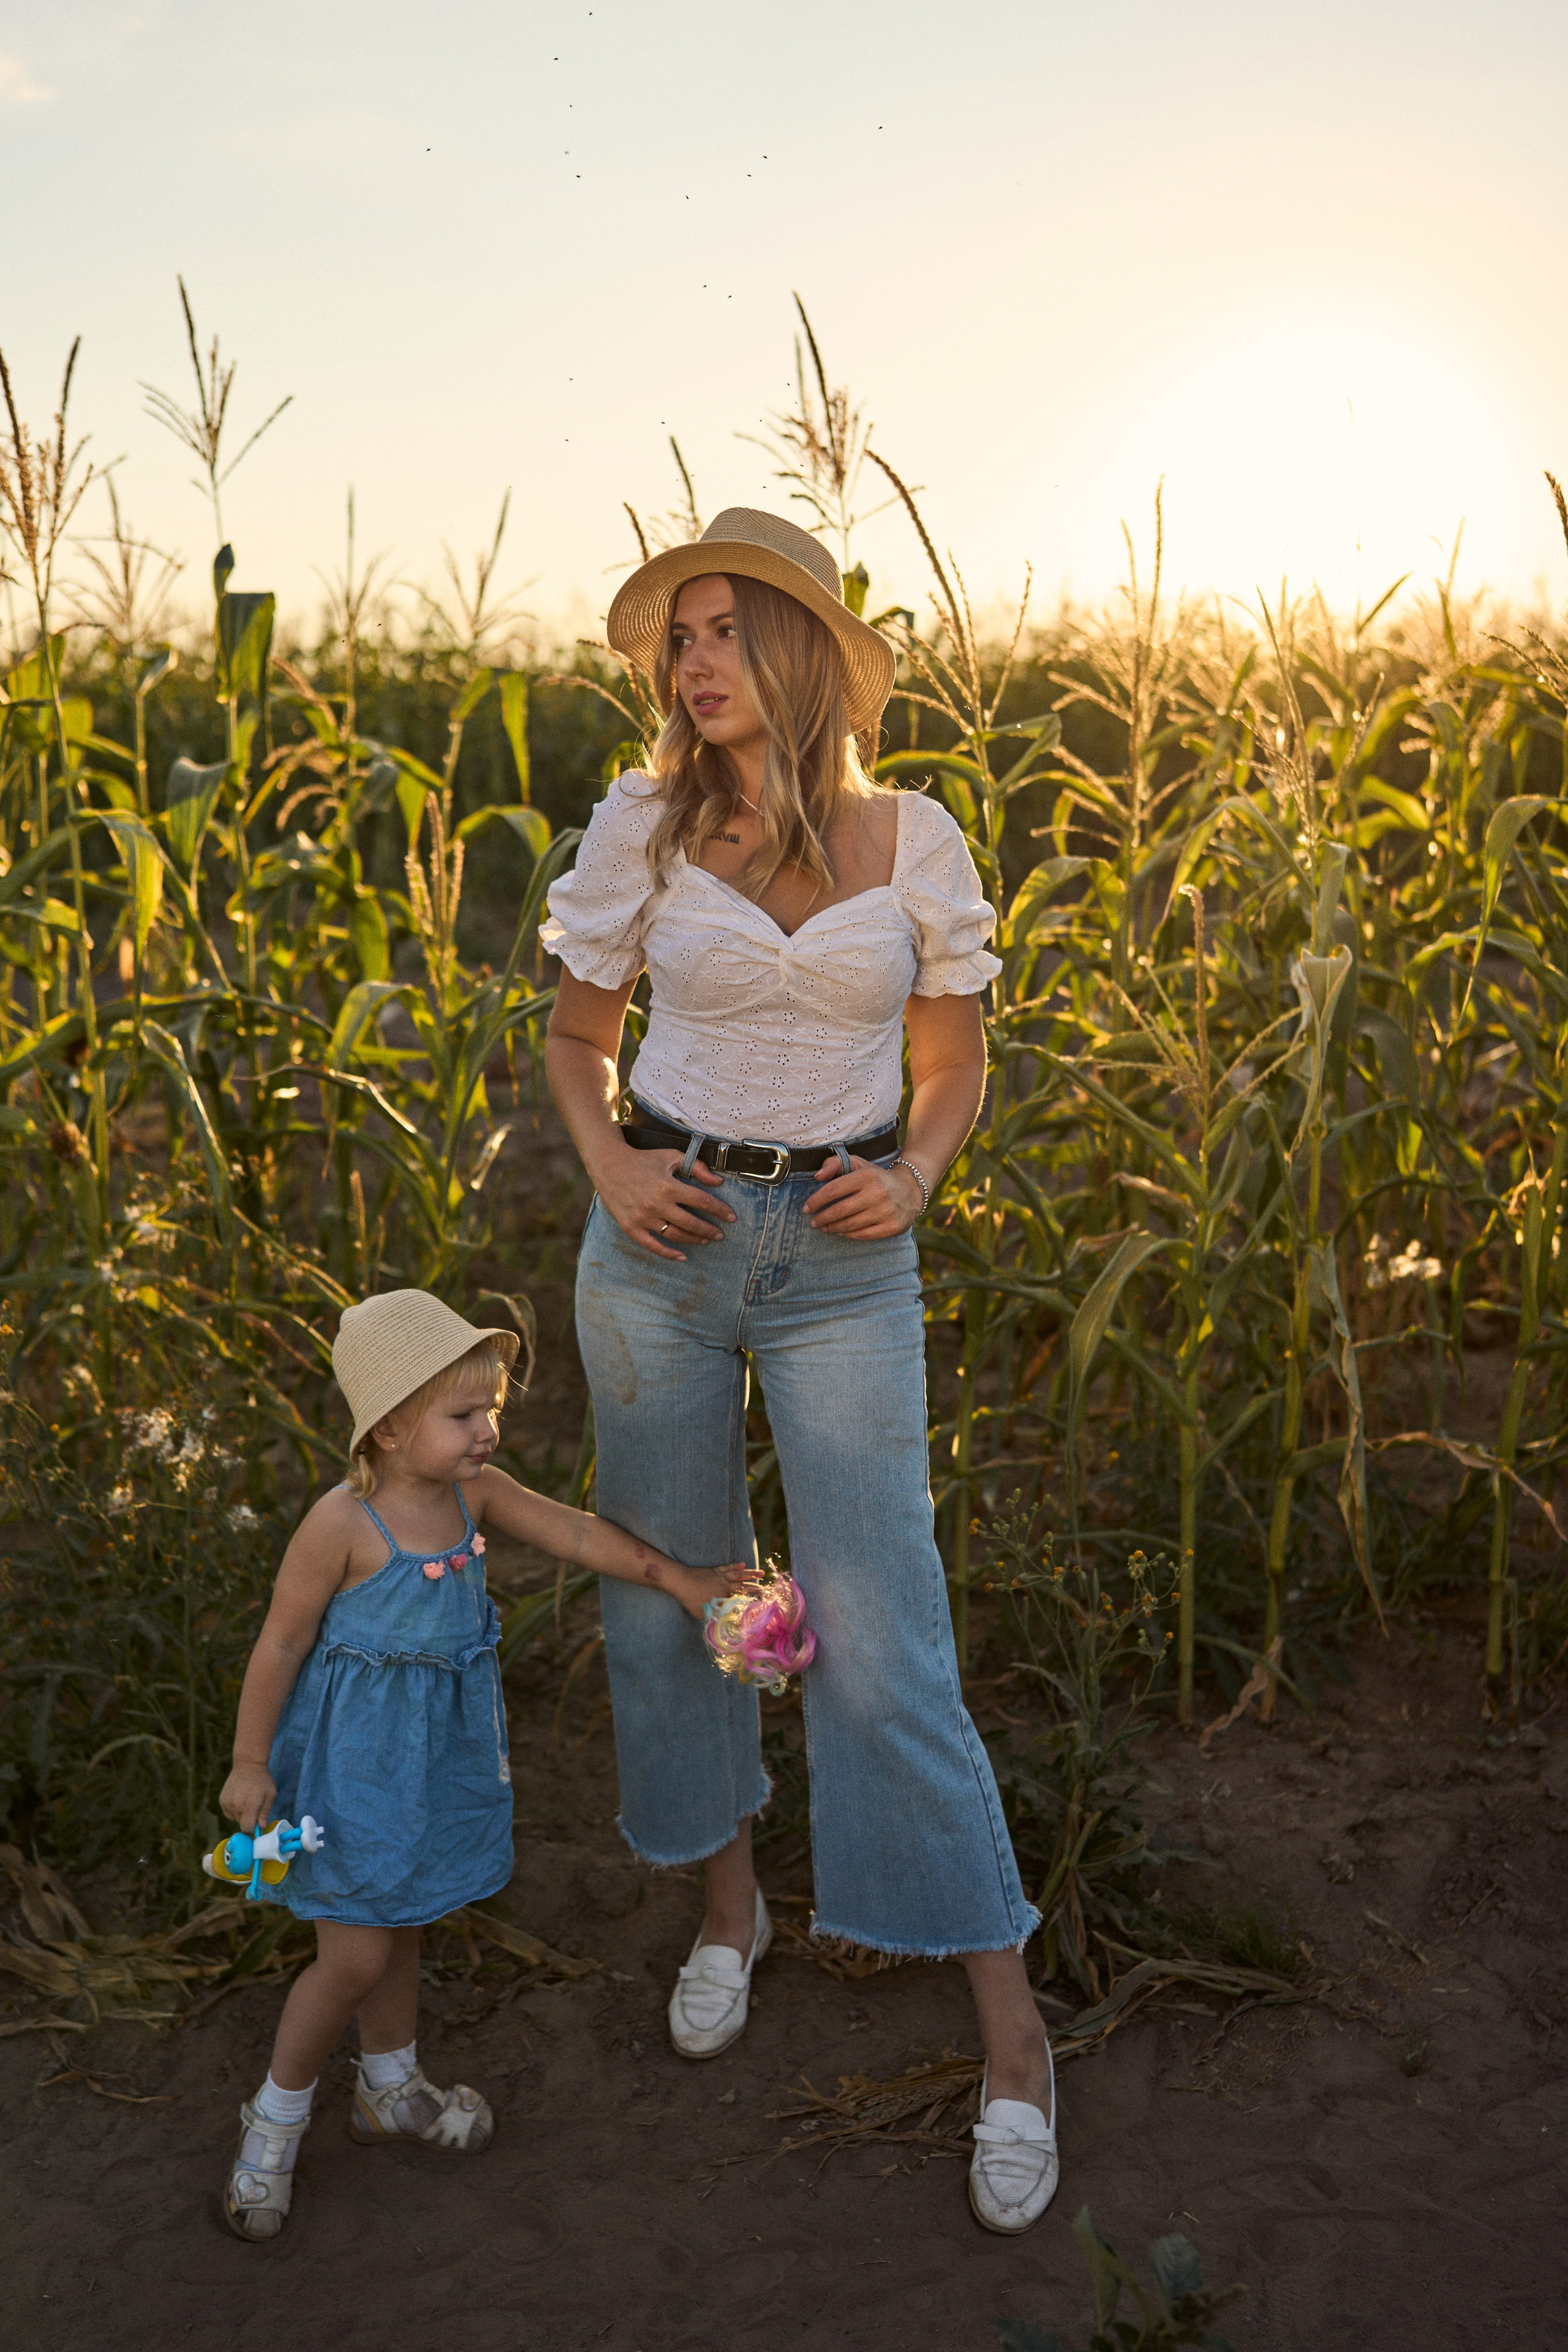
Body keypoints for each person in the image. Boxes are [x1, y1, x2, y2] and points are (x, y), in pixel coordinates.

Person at [541, 508, 1059, 2234]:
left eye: (719, 632)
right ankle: (729, 1909)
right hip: (663, 1247)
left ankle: (1011, 2036)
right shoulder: (638, 826)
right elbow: (576, 1037)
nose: (690, 665)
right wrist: (612, 1170)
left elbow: (952, 1061)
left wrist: (914, 1178)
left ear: (798, 653)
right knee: (675, 1594)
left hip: (843, 1262)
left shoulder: (913, 838)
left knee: (878, 1623)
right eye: (677, 639)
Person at [217, 1286, 745, 2242]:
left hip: (436, 1763)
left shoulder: (477, 1495)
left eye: (490, 1409)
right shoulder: (343, 1524)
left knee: (405, 1915)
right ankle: (274, 2121)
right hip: (353, 1773)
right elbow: (282, 1643)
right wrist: (250, 1761)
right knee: (354, 1954)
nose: (487, 1430)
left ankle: (389, 2085)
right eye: (463, 1415)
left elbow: (576, 1533)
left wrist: (679, 1581)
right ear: (386, 1428)